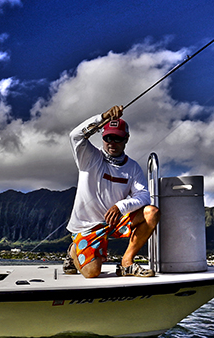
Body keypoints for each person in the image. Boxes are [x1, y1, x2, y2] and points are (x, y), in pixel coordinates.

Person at [64, 105, 159, 278]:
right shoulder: (89, 157)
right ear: (102, 137)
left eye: (117, 138)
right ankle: (73, 251)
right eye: (108, 137)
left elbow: (144, 196)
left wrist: (120, 207)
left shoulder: (133, 167)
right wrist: (102, 117)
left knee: (151, 213)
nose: (112, 143)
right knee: (92, 273)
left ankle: (127, 263)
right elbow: (75, 135)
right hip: (88, 226)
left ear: (126, 139)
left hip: (115, 222)